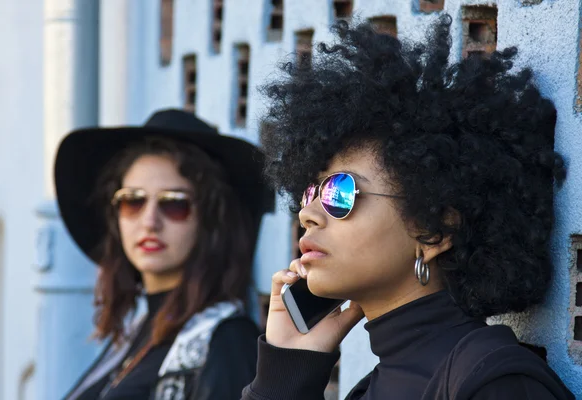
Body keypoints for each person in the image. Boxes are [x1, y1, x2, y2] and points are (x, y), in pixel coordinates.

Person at [241, 16, 574, 400]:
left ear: (433, 231)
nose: (308, 214)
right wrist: (284, 375)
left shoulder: (494, 382)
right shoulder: (369, 389)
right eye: (310, 191)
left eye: (339, 192)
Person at [54, 109, 274, 400]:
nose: (149, 221)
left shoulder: (226, 340)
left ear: (210, 220)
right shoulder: (136, 331)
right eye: (133, 201)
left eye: (174, 204)